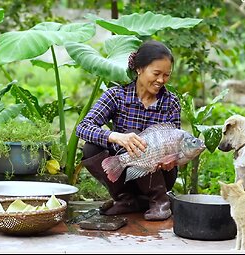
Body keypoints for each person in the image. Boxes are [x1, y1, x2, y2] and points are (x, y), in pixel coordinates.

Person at [76, 40, 181, 221]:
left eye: (166, 75)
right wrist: (115, 136)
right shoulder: (116, 96)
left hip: (161, 175)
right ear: (139, 69)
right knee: (91, 148)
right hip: (123, 172)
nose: (161, 80)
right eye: (156, 73)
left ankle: (159, 201)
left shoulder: (171, 102)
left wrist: (173, 157)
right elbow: (83, 127)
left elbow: (176, 140)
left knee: (139, 138)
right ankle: (126, 199)